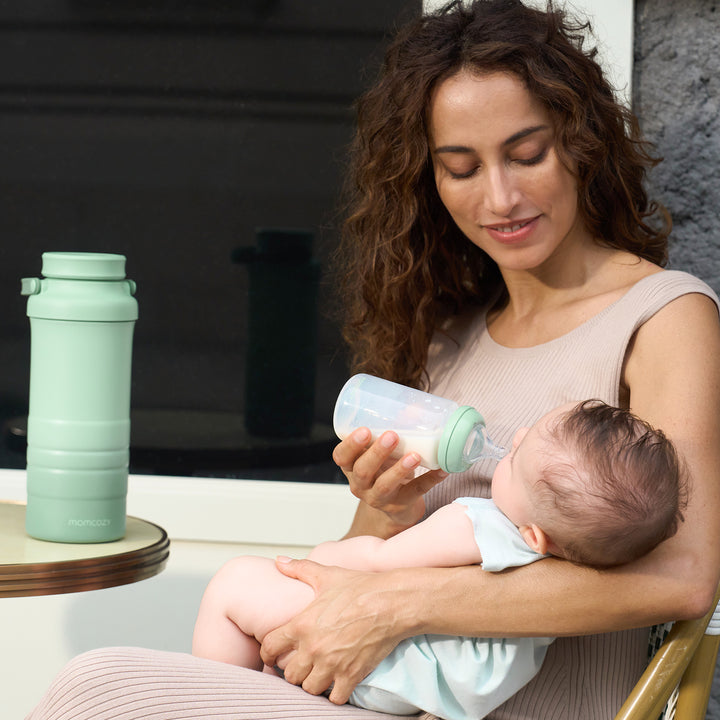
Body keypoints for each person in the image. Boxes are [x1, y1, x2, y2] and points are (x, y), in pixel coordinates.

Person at [26, 1, 720, 719]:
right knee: (106, 684)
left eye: (527, 153)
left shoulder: (663, 315)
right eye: (460, 168)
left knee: (98, 688)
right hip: (385, 698)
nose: (500, 197)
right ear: (430, 181)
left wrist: (401, 606)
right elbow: (360, 562)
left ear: (582, 143)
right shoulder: (452, 337)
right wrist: (388, 508)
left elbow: (684, 578)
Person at [192, 400, 686, 720]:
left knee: (235, 582)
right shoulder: (558, 562)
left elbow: (381, 562)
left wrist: (325, 557)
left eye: (515, 460)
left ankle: (213, 700)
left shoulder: (476, 522)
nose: (509, 444)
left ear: (536, 534)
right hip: (444, 691)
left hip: (395, 665)